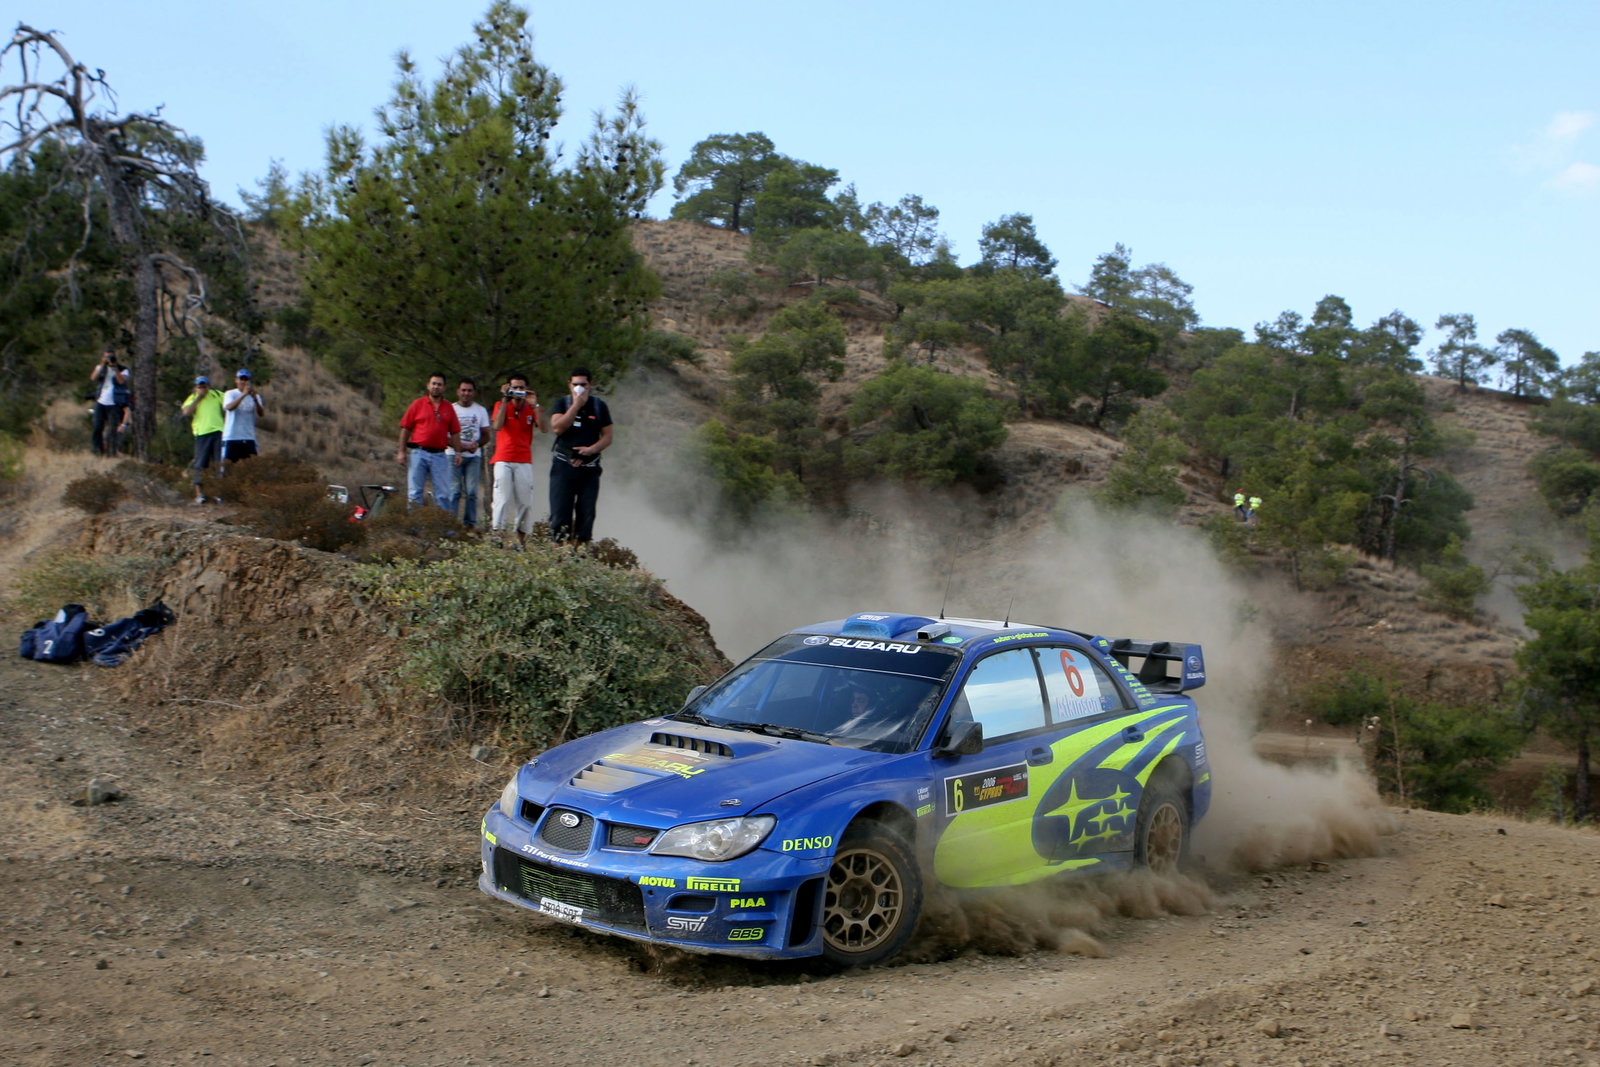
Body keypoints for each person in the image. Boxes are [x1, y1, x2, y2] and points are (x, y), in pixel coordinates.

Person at [547, 367, 613, 545]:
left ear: (590, 385)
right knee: (560, 514)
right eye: (575, 384)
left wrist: (592, 449)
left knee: (586, 515)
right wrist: (576, 405)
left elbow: (608, 437)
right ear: (569, 385)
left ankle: (581, 556)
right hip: (563, 466)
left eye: (583, 385)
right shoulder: (562, 403)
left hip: (589, 469)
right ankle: (558, 555)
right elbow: (557, 428)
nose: (579, 388)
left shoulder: (599, 406)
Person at [489, 372, 543, 546]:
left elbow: (544, 428)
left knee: (525, 501)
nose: (518, 391)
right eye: (515, 388)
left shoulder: (531, 408)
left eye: (522, 388)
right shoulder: (500, 404)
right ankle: (498, 533)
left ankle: (520, 538)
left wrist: (535, 405)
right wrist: (505, 400)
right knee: (502, 497)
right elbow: (496, 426)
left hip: (524, 459)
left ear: (527, 389)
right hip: (503, 457)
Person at [396, 372, 461, 513]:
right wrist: (401, 451)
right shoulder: (417, 404)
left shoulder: (448, 408)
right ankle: (415, 527)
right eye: (434, 383)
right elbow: (405, 428)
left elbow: (455, 432)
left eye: (439, 384)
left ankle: (444, 529)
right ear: (428, 385)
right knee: (415, 493)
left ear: (444, 388)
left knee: (443, 494)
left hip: (439, 455)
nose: (436, 387)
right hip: (418, 453)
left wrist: (458, 452)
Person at [448, 378, 491, 528]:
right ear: (458, 391)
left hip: (473, 457)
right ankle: (451, 523)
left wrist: (477, 444)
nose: (466, 393)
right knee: (454, 491)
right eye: (463, 390)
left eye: (469, 390)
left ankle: (470, 524)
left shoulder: (480, 410)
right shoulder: (450, 409)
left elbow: (486, 434)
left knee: (472, 492)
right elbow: (444, 436)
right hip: (452, 454)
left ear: (474, 393)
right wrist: (460, 447)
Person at [180, 376, 225, 505]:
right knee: (200, 464)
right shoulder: (193, 397)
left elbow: (227, 404)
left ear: (208, 386)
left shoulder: (216, 395)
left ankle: (219, 493)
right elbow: (186, 412)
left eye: (204, 386)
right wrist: (199, 397)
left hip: (218, 432)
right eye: (200, 386)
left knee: (219, 463)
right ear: (196, 387)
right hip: (202, 434)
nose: (202, 388)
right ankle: (199, 494)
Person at [88, 351, 130, 457]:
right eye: (106, 357)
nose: (108, 359)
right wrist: (102, 365)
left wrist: (115, 368)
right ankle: (97, 449)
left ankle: (111, 450)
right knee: (97, 427)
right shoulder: (100, 368)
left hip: (115, 403)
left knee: (112, 429)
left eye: (110, 357)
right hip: (101, 401)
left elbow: (121, 381)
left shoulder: (123, 369)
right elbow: (93, 378)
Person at [222, 368, 265, 467]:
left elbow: (261, 414)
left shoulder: (255, 396)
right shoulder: (230, 394)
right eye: (242, 379)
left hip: (248, 437)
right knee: (229, 467)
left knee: (251, 468)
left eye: (246, 379)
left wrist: (255, 400)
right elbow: (229, 407)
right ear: (236, 380)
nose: (244, 382)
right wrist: (243, 395)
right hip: (232, 437)